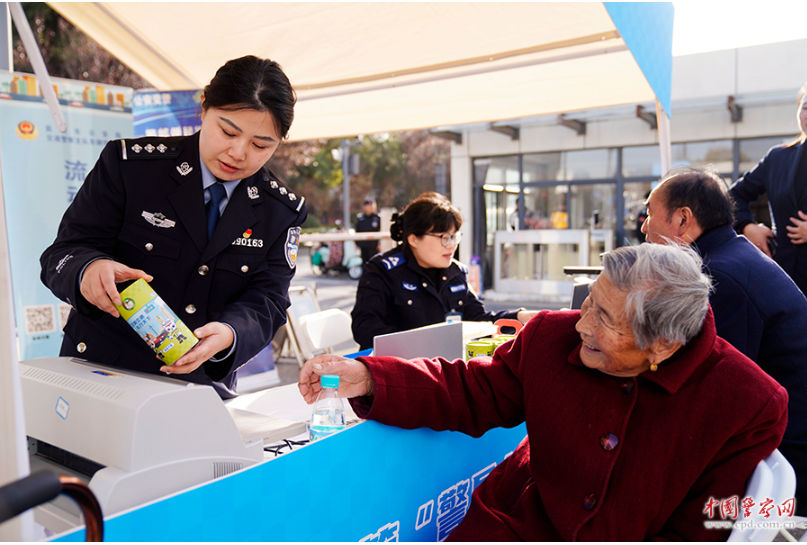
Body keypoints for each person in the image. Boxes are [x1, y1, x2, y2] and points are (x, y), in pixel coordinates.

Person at [301, 243, 787, 541]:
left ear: (662, 344)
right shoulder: (552, 335)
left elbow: (694, 534)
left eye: (604, 319)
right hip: (513, 526)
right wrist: (368, 377)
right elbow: (472, 390)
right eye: (589, 303)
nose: (582, 325)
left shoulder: (748, 404)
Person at [40, 55, 307, 399]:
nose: (238, 152)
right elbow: (62, 253)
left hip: (199, 390)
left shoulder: (280, 210)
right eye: (227, 131)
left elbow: (269, 298)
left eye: (260, 145)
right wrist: (88, 270)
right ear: (204, 108)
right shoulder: (131, 168)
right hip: (99, 375)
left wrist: (230, 333)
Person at [641, 167, 807, 514]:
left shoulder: (721, 278)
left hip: (788, 458)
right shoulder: (732, 256)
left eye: (649, 214)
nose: (643, 227)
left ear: (682, 220)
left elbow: (715, 389)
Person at [351, 193, 536, 351]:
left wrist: (519, 317)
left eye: (455, 236)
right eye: (444, 238)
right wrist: (423, 345)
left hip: (443, 370)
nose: (452, 245)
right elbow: (365, 328)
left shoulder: (456, 272)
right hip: (395, 373)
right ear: (414, 239)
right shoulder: (382, 270)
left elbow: (478, 319)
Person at [729, 82, 807, 294]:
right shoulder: (777, 157)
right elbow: (732, 196)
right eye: (806, 106)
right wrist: (747, 227)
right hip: (784, 281)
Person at [355, 197, 381, 264]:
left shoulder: (378, 218)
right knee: (365, 263)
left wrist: (380, 243)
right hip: (364, 245)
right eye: (369, 205)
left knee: (374, 263)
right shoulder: (361, 219)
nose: (371, 207)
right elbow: (357, 231)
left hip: (374, 246)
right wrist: (357, 244)